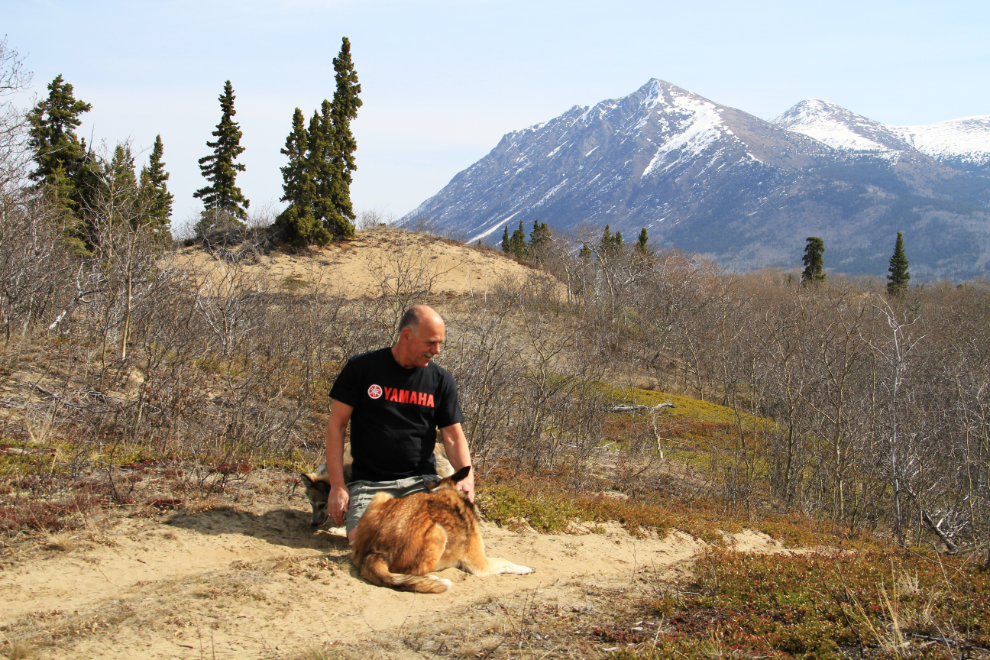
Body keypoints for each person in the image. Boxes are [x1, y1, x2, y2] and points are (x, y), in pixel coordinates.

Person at [324, 304, 474, 543]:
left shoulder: (441, 381)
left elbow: (454, 436)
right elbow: (336, 426)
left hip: (420, 483)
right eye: (430, 343)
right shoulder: (361, 369)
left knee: (432, 540)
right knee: (363, 542)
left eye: (440, 344)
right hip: (370, 484)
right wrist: (338, 486)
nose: (436, 350)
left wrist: (467, 476)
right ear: (406, 336)